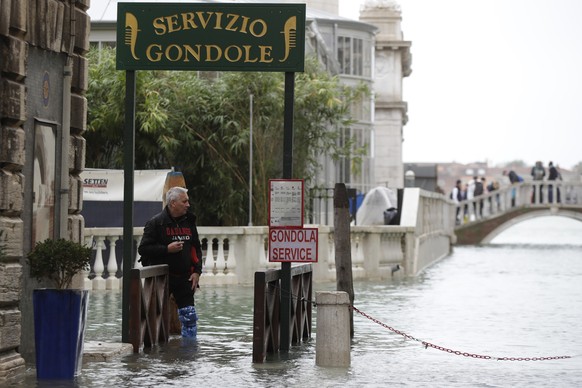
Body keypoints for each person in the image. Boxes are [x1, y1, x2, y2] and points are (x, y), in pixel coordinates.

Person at [138, 186, 203, 338]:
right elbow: (143, 249)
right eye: (184, 201)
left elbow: (197, 248)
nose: (188, 205)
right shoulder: (156, 222)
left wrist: (197, 272)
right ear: (173, 203)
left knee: (189, 318)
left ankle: (190, 354)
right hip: (161, 278)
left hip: (185, 278)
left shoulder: (189, 221)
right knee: (153, 317)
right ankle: (152, 352)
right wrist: (167, 249)